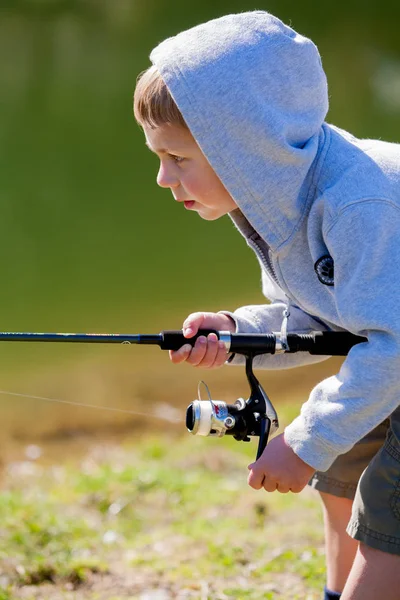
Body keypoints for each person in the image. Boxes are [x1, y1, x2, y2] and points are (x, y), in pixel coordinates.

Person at [133, 11, 400, 600]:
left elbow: (392, 348)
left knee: (389, 519)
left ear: (245, 148)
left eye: (177, 158)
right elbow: (321, 319)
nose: (162, 177)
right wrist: (235, 331)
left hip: (395, 353)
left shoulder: (355, 204)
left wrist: (302, 443)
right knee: (341, 478)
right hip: (391, 351)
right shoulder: (280, 201)